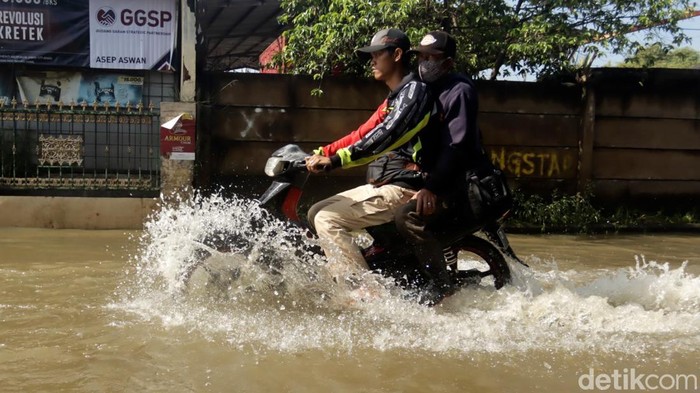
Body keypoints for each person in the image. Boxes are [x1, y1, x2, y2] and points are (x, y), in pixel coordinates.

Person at [304, 28, 434, 288]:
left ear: (397, 54)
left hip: (406, 187)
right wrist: (323, 152)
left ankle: (364, 293)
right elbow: (361, 134)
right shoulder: (394, 98)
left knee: (327, 219)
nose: (372, 61)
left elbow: (387, 135)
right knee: (314, 211)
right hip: (387, 184)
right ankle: (365, 269)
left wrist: (337, 160)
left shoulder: (414, 93)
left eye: (377, 55)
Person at [394, 30, 494, 305]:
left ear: (448, 62)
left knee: (407, 217)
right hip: (442, 178)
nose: (424, 62)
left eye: (432, 58)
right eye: (422, 57)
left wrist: (432, 188)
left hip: (464, 186)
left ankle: (441, 287)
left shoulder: (459, 91)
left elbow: (457, 146)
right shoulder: (424, 89)